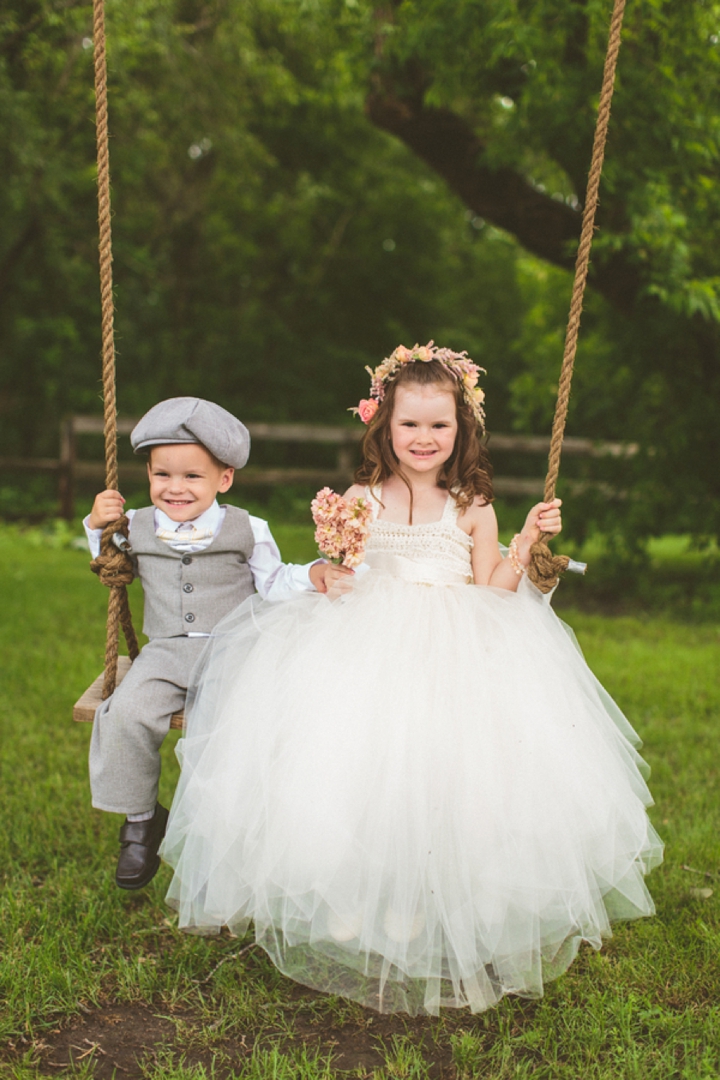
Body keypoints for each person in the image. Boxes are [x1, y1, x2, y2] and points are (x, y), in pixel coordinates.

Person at [160, 349, 663, 1016]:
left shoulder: (474, 505)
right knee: (356, 768)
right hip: (367, 642)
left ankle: (413, 909)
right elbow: (346, 566)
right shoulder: (363, 499)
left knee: (439, 777)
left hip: (454, 650)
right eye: (410, 427)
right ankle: (348, 896)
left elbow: (494, 590)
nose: (423, 441)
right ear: (382, 426)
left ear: (462, 432)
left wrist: (523, 547)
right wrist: (334, 566)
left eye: (439, 428)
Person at [85, 396, 333, 891]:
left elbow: (274, 581)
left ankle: (221, 828)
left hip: (232, 649)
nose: (175, 489)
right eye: (162, 476)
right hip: (164, 652)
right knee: (126, 713)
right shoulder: (133, 524)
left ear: (224, 479)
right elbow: (107, 560)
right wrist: (96, 525)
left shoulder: (247, 528)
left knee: (226, 729)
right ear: (150, 475)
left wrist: (314, 574)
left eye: (192, 477)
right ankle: (140, 820)